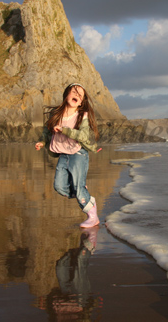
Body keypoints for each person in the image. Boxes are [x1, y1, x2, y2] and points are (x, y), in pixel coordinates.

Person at [35, 83, 101, 228]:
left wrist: (65, 130)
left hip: (78, 154)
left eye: (80, 94)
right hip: (64, 154)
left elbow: (83, 135)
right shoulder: (56, 114)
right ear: (66, 95)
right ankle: (84, 195)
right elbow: (47, 131)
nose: (76, 95)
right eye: (73, 92)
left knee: (79, 188)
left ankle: (92, 216)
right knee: (59, 187)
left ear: (82, 101)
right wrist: (42, 142)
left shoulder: (81, 115)